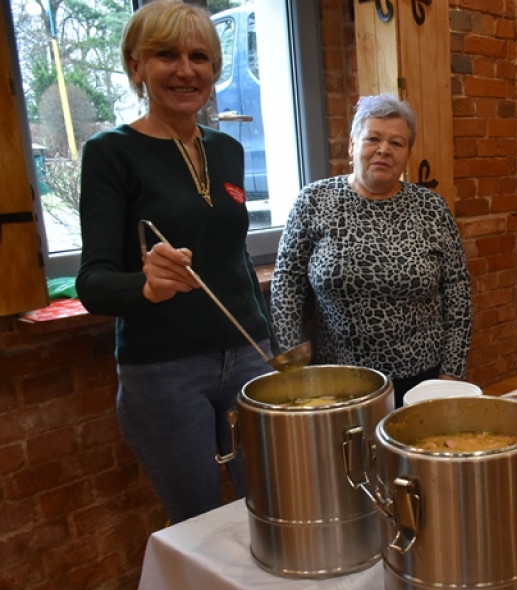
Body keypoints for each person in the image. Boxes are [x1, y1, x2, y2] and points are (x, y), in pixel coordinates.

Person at [76, 0, 273, 524]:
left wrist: (268, 339)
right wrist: (146, 286)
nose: (186, 70)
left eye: (199, 57)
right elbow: (91, 283)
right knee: (201, 527)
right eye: (166, 55)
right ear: (136, 66)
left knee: (279, 508)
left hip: (249, 358)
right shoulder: (110, 153)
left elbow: (233, 256)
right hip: (165, 371)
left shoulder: (229, 150)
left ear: (214, 69)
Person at [271, 94, 473, 407]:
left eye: (397, 143)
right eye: (373, 138)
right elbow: (286, 285)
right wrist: (293, 370)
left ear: (408, 153)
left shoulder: (432, 208)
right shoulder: (313, 202)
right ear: (352, 145)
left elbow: (458, 293)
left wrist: (452, 373)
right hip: (338, 382)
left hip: (422, 380)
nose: (384, 150)